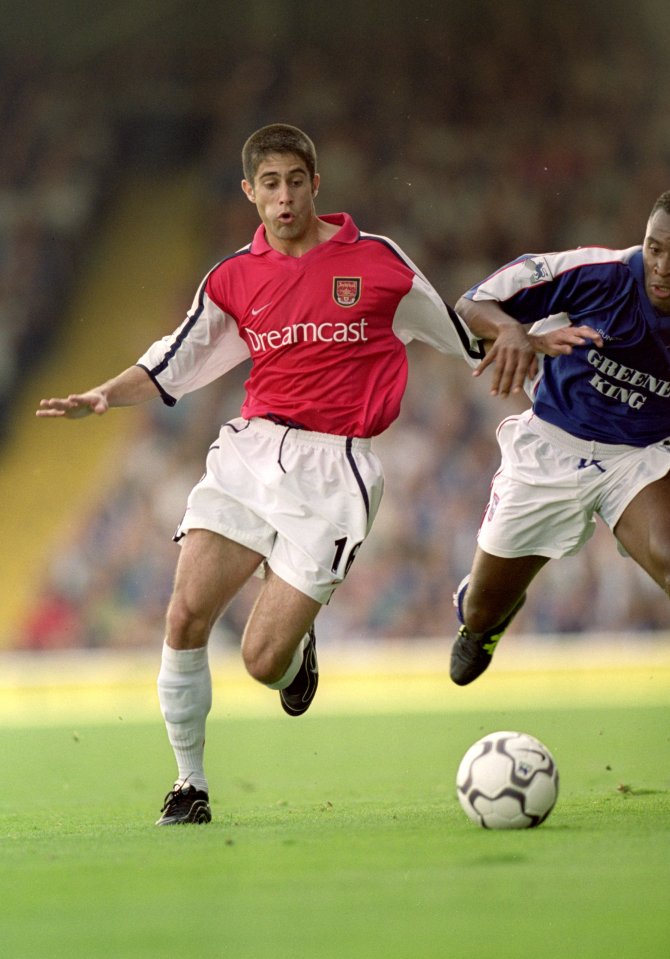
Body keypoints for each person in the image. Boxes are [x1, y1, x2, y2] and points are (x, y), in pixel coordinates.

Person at [37, 123, 490, 825]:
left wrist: (528, 341)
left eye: (295, 181)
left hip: (336, 467)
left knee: (261, 661)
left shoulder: (379, 263)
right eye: (268, 185)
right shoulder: (232, 278)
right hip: (251, 453)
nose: (283, 197)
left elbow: (462, 338)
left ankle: (294, 650)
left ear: (316, 184)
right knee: (185, 613)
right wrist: (103, 394)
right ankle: (189, 784)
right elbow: (172, 359)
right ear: (250, 193)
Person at [449, 190, 670, 686]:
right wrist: (511, 332)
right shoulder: (599, 272)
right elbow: (473, 302)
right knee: (481, 610)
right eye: (655, 248)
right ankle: (484, 624)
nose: (662, 266)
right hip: (554, 441)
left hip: (641, 456)